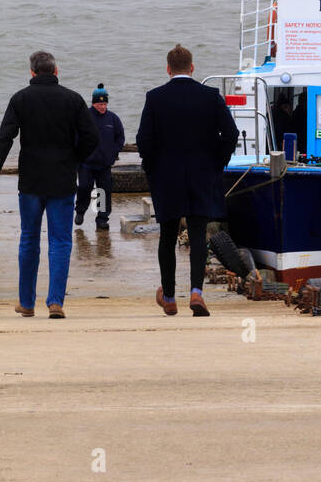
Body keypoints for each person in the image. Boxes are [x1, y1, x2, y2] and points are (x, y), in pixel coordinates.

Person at [0, 51, 99, 318]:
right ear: (56, 72)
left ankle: (27, 302)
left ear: (32, 73)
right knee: (60, 241)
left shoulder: (21, 98)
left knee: (29, 239)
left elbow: (4, 139)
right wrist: (73, 158)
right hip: (62, 181)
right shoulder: (73, 99)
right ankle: (55, 302)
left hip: (32, 182)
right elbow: (92, 137)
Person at [136, 44, 238, 317]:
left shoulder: (155, 98)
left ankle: (169, 297)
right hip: (202, 175)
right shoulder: (210, 96)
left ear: (168, 69)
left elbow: (143, 140)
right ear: (192, 68)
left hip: (166, 177)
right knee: (197, 235)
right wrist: (218, 162)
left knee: (167, 238)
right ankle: (196, 293)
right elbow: (230, 133)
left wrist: (151, 168)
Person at [75, 84, 125, 230]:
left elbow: (120, 138)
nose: (103, 107)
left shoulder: (113, 119)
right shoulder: (84, 117)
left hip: (104, 164)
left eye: (104, 104)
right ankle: (80, 211)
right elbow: (75, 137)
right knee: (84, 187)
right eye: (99, 104)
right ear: (93, 103)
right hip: (86, 163)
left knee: (103, 191)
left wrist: (113, 153)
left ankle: (101, 218)